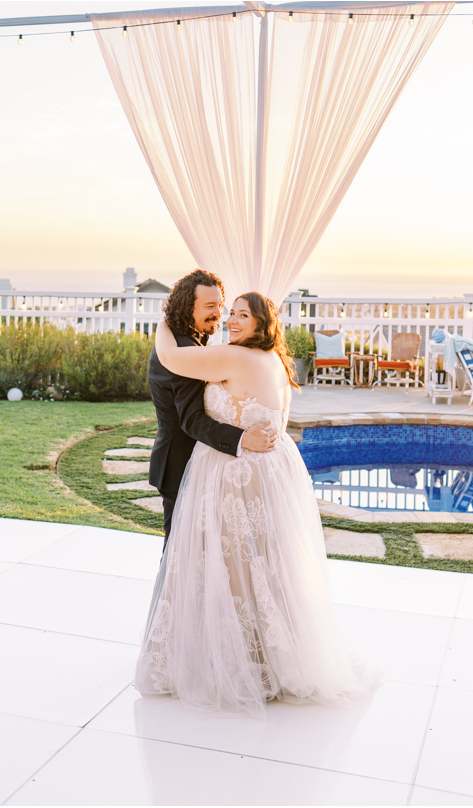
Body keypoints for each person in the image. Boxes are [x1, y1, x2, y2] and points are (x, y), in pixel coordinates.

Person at [135, 289, 379, 717]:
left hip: (239, 472)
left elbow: (172, 359)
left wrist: (163, 319)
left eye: (241, 314)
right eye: (229, 312)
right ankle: (271, 657)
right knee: (264, 564)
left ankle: (237, 663)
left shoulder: (235, 357)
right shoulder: (276, 361)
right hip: (271, 470)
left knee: (233, 567)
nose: (230, 320)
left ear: (262, 323)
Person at [147, 269, 273, 546]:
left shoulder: (186, 340)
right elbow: (191, 420)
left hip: (197, 461)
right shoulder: (181, 351)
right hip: (180, 463)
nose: (219, 313)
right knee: (179, 551)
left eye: (220, 305)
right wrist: (242, 438)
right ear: (186, 307)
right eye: (209, 307)